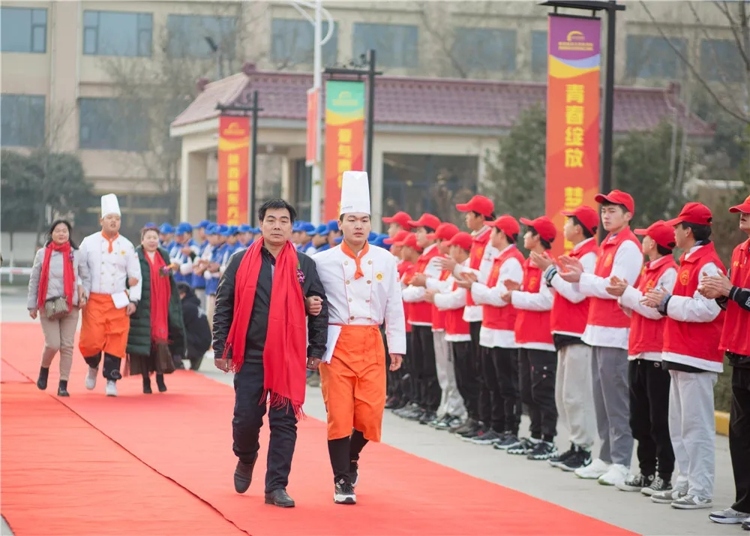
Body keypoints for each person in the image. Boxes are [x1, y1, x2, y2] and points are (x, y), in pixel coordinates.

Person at [212, 199, 328, 508]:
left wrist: (316, 349)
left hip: (288, 358)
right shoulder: (240, 261)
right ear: (261, 224)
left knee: (285, 423)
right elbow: (224, 305)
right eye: (271, 220)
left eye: (284, 220)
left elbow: (319, 308)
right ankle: (246, 456)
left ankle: (276, 486)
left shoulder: (305, 264)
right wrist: (221, 346)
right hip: (251, 354)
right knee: (245, 420)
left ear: (292, 226)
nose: (277, 225)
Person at [313, 171, 406, 505]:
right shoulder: (320, 261)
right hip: (336, 342)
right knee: (339, 413)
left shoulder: (385, 259)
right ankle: (341, 480)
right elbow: (306, 296)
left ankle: (352, 458)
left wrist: (397, 345)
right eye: (351, 219)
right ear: (340, 223)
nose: (358, 225)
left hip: (371, 340)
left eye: (364, 220)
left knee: (369, 417)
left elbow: (395, 303)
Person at [641, 202, 726, 510]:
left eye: (677, 227)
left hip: (696, 355)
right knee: (678, 425)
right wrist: (666, 302)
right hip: (679, 351)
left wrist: (667, 303)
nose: (673, 231)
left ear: (688, 231)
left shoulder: (707, 265)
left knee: (696, 426)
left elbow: (708, 309)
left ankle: (700, 490)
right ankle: (684, 483)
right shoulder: (691, 261)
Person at [557, 190, 642, 486]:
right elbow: (598, 284)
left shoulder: (628, 247)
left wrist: (583, 279)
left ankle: (621, 461)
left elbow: (614, 288)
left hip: (616, 332)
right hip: (597, 330)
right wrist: (583, 278)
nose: (606, 215)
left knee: (616, 400)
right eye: (604, 210)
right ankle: (604, 457)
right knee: (602, 401)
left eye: (613, 210)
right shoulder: (608, 244)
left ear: (628, 215)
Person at [605, 220, 677, 495]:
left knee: (659, 418)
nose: (643, 241)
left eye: (646, 237)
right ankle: (646, 470)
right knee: (640, 418)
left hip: (656, 352)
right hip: (638, 350)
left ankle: (664, 474)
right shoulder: (649, 270)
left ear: (654, 243)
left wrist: (629, 294)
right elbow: (638, 307)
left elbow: (655, 309)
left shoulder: (669, 272)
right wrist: (624, 297)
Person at [531, 206, 599, 471]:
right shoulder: (576, 253)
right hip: (565, 332)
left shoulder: (590, 255)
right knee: (564, 395)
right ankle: (574, 444)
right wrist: (552, 275)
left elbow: (576, 294)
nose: (566, 227)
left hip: (578, 333)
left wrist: (550, 273)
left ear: (579, 227)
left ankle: (583, 448)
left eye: (570, 222)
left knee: (576, 395)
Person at [703, 195, 750, 527]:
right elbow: (735, 301)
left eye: (747, 214)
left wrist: (731, 291)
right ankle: (743, 503)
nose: (741, 218)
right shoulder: (738, 252)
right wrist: (721, 296)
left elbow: (740, 294)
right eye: (741, 213)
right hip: (740, 351)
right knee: (740, 433)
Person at [461, 215, 524, 446]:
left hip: (504, 330)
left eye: (495, 231)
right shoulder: (500, 259)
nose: (491, 236)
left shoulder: (512, 261)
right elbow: (489, 288)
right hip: (490, 327)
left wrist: (474, 287)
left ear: (503, 234)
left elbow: (499, 297)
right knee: (491, 381)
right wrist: (474, 283)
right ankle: (494, 426)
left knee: (506, 384)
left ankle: (509, 429)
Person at [502, 216, 558, 460]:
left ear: (538, 238)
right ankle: (535, 436)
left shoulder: (547, 265)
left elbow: (547, 300)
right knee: (527, 391)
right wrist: (519, 292)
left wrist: (516, 297)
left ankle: (548, 438)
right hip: (525, 335)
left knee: (541, 390)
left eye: (528, 232)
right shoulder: (528, 264)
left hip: (541, 337)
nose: (524, 236)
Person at [78, 194, 142, 397]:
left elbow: (135, 276)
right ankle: (93, 365)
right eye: (109, 217)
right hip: (94, 299)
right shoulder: (88, 243)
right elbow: (78, 270)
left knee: (116, 341)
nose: (114, 221)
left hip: (118, 300)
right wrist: (80, 290)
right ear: (101, 220)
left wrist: (134, 299)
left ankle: (111, 380)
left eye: (117, 218)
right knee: (91, 341)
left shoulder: (127, 245)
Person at [447, 195, 497, 439]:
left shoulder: (489, 241)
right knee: (473, 370)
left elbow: (482, 276)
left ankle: (484, 419)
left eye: (469, 213)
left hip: (483, 309)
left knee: (481, 371)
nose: (466, 217)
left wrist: (457, 270)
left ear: (480, 216)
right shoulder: (479, 241)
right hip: (474, 309)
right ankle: (475, 416)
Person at [408, 222, 466, 429]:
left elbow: (447, 290)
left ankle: (455, 410)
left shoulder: (447, 265)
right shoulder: (443, 264)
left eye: (444, 241)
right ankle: (446, 408)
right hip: (440, 320)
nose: (441, 245)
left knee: (450, 371)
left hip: (447, 322)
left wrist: (428, 285)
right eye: (441, 241)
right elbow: (442, 287)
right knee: (443, 371)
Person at [27, 220, 90, 397]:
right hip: (48, 305)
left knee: (67, 346)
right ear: (51, 233)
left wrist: (85, 295)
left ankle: (63, 383)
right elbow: (34, 280)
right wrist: (32, 305)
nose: (62, 234)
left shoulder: (76, 254)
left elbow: (86, 277)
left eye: (65, 231)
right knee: (53, 344)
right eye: (58, 231)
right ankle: (44, 369)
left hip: (71, 306)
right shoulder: (42, 254)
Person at [126, 227, 186, 394]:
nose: (152, 240)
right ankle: (146, 380)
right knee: (145, 343)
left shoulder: (164, 255)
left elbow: (167, 277)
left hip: (161, 305)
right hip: (144, 307)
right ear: (142, 240)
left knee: (160, 341)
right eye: (149, 237)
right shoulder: (136, 256)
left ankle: (160, 376)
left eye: (155, 237)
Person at [426, 232, 474, 431]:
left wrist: (436, 297)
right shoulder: (453, 269)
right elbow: (447, 289)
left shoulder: (464, 269)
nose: (445, 248)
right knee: (447, 372)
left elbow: (457, 297)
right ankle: (448, 409)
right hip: (449, 326)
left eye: (451, 245)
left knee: (457, 374)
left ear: (460, 249)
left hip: (460, 327)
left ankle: (457, 411)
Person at [402, 213, 443, 424]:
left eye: (420, 230)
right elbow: (413, 284)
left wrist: (406, 293)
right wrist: (410, 290)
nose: (416, 234)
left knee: (429, 366)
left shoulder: (435, 258)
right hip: (416, 318)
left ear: (431, 234)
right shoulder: (424, 257)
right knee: (418, 365)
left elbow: (418, 289)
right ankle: (420, 403)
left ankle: (430, 405)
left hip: (427, 318)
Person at [177, 282, 213, 371]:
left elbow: (176, 327)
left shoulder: (185, 308)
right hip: (204, 344)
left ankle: (177, 360)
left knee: (172, 332)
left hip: (194, 344)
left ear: (182, 294)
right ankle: (195, 358)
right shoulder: (195, 306)